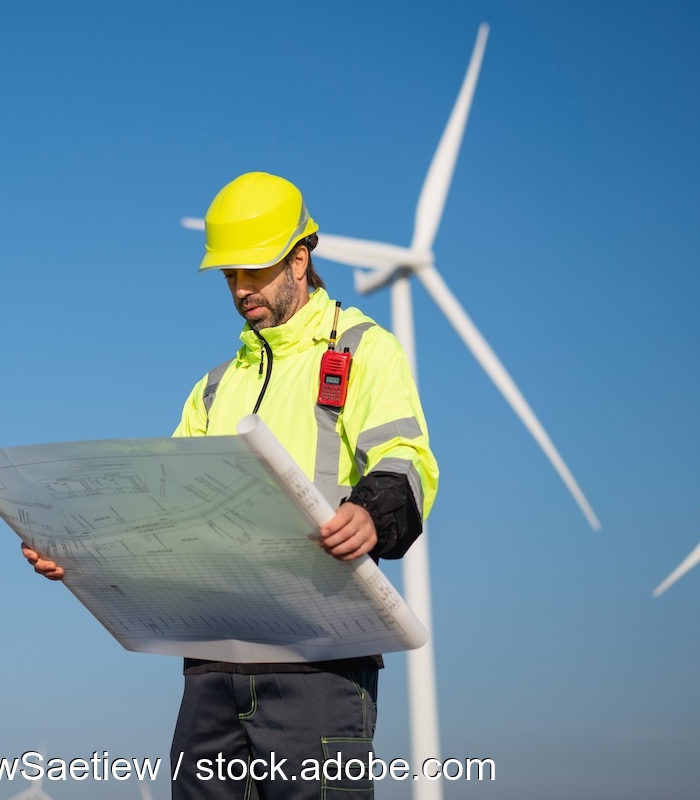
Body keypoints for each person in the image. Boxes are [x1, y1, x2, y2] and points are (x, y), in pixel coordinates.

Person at [22, 171, 438, 799]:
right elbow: (162, 507)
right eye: (229, 277)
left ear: (300, 259)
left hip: (318, 660)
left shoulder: (363, 350)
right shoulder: (214, 388)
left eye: (254, 272)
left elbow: (407, 456)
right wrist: (82, 549)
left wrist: (373, 513)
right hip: (214, 663)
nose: (241, 290)